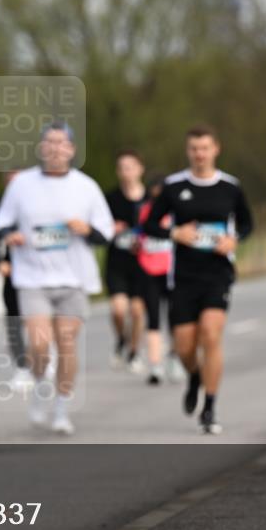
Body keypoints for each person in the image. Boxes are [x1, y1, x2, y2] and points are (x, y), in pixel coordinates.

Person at [0, 121, 114, 435]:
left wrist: (86, 229)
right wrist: (11, 235)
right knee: (39, 344)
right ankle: (39, 386)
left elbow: (105, 233)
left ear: (71, 149)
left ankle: (61, 408)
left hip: (74, 279)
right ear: (41, 147)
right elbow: (2, 223)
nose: (55, 148)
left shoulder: (86, 187)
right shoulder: (22, 184)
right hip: (32, 277)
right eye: (50, 142)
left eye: (62, 142)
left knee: (67, 344)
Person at [141, 125, 253, 434]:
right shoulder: (174, 186)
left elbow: (247, 224)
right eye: (194, 149)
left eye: (205, 148)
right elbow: (149, 225)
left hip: (217, 273)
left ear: (216, 149)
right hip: (184, 276)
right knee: (185, 347)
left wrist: (234, 240)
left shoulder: (230, 187)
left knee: (211, 335)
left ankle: (210, 407)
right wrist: (174, 232)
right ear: (187, 151)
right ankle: (194, 376)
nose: (199, 154)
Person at [0, 169, 32, 391]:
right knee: (14, 320)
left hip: (38, 273)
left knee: (38, 317)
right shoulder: (0, 205)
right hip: (12, 271)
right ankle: (22, 367)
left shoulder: (38, 203)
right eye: (10, 182)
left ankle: (45, 357)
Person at [104, 151, 148, 374]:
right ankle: (122, 339)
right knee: (119, 310)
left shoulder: (152, 198)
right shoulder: (109, 199)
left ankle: (134, 351)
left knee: (138, 311)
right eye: (122, 168)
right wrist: (110, 228)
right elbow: (98, 226)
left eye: (130, 167)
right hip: (117, 263)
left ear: (140, 169)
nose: (126, 172)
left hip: (144, 263)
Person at [136, 174, 180, 386]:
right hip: (149, 270)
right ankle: (155, 366)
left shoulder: (177, 211)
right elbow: (138, 233)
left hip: (172, 271)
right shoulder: (144, 211)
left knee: (175, 319)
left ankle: (174, 358)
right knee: (153, 318)